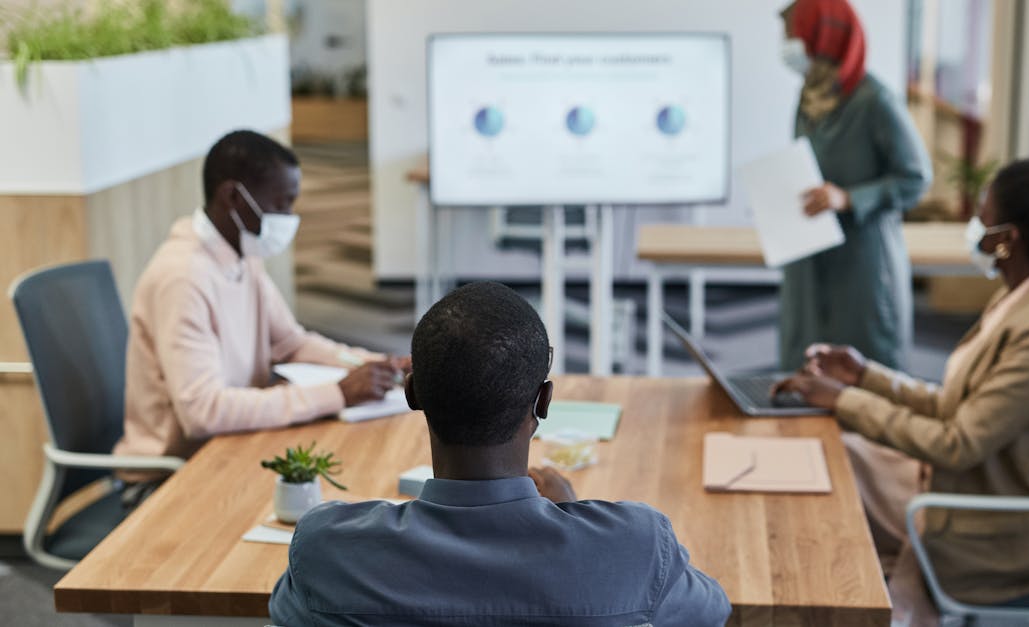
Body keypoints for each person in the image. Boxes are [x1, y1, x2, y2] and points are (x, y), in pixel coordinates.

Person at [270, 281, 731, 627]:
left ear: (412, 394)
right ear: (544, 402)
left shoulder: (328, 550)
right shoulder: (636, 546)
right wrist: (570, 514)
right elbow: (714, 611)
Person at [772, 160, 1029, 626]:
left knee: (827, 489)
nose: (973, 226)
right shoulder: (1023, 296)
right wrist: (863, 375)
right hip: (952, 484)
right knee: (832, 456)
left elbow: (957, 444)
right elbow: (952, 404)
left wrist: (843, 401)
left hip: (980, 526)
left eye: (982, 216)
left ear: (1007, 239)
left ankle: (817, 600)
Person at [113, 130, 407, 498]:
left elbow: (291, 343)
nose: (289, 217)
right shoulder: (183, 278)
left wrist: (380, 364)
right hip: (170, 478)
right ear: (234, 197)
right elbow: (203, 412)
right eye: (282, 204)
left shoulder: (240, 254)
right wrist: (336, 394)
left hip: (229, 449)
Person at [777, 0, 932, 371]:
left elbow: (916, 178)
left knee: (862, 374)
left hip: (861, 261)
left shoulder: (875, 101)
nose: (786, 49)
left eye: (793, 38)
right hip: (811, 254)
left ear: (823, 38)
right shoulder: (809, 95)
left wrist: (849, 198)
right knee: (806, 369)